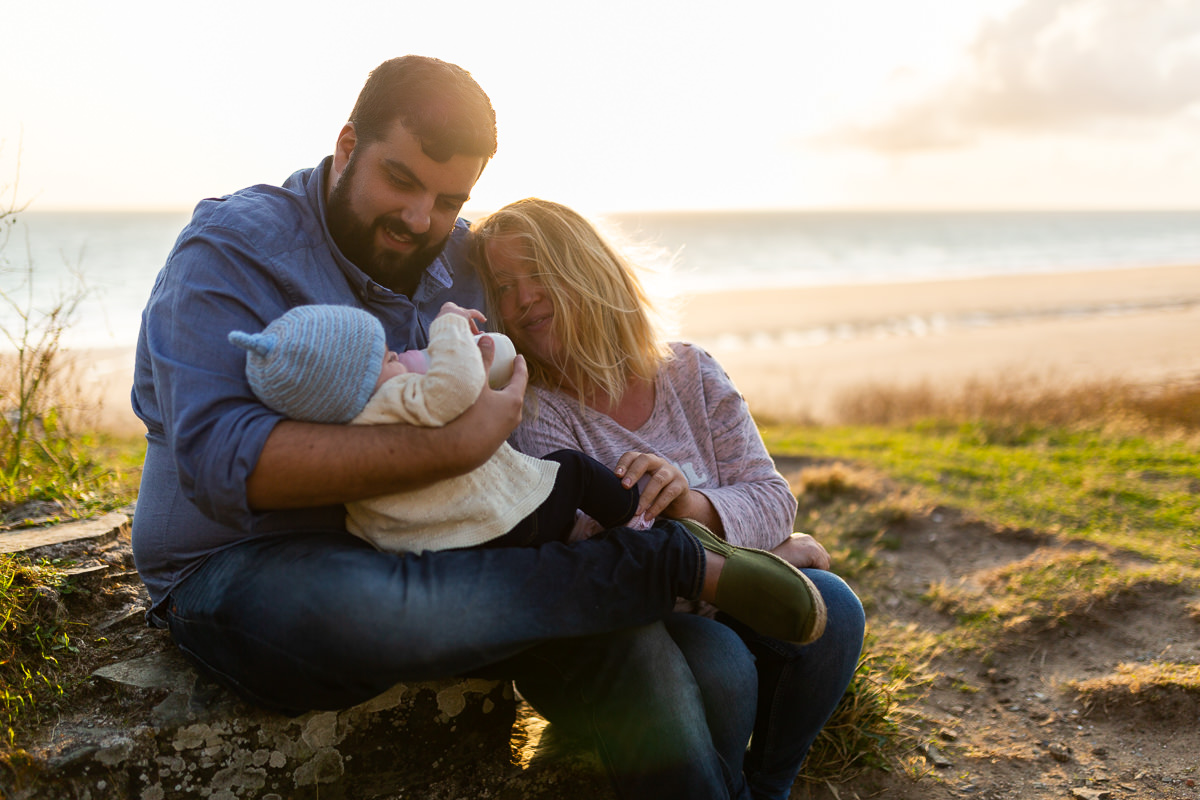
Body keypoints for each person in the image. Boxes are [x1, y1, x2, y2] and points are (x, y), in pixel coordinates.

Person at [130, 54, 825, 799]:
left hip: (459, 545)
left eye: (449, 197)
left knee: (612, 628)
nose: (420, 218)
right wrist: (454, 445)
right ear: (346, 147)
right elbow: (219, 461)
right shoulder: (233, 248)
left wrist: (687, 487)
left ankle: (661, 577)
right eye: (400, 180)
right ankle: (666, 567)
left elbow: (559, 338)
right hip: (255, 561)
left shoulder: (460, 255)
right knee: (365, 605)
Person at [472, 197, 867, 800]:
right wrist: (770, 555)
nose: (523, 297)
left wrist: (688, 506)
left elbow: (771, 497)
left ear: (588, 270)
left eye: (539, 272)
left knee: (835, 607)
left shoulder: (691, 372)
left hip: (710, 601)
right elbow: (597, 551)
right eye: (504, 285)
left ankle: (768, 789)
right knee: (721, 661)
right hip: (634, 630)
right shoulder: (536, 408)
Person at [226, 300, 648, 552]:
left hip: (444, 547)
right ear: (356, 383)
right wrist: (448, 325)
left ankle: (576, 530)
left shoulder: (345, 431)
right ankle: (639, 520)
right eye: (388, 360)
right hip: (500, 526)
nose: (400, 357)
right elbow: (458, 386)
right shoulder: (397, 401)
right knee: (572, 469)